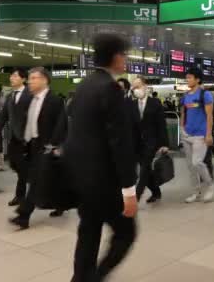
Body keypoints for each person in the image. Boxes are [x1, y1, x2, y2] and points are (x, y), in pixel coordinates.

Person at [65, 34, 138, 282]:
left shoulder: (85, 86)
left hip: (83, 180)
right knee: (126, 232)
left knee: (88, 232)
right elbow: (120, 143)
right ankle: (96, 277)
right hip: (105, 183)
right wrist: (129, 190)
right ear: (116, 56)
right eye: (124, 54)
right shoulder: (110, 88)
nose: (125, 59)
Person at [9, 67, 67, 229]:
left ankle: (23, 215)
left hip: (47, 146)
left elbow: (62, 125)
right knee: (46, 179)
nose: (30, 81)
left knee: (35, 181)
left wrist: (55, 145)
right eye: (30, 78)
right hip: (33, 144)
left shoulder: (54, 100)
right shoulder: (30, 99)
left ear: (44, 80)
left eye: (34, 78)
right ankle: (61, 203)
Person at [0, 69, 32, 206]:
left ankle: (21, 196)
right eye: (11, 75)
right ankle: (24, 188)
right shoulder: (10, 97)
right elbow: (3, 118)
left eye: (15, 76)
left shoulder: (30, 95)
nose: (11, 78)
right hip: (15, 137)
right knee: (15, 164)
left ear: (23, 79)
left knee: (25, 168)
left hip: (29, 138)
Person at [180, 68, 214, 203]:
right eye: (187, 77)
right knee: (190, 166)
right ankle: (196, 192)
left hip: (200, 135)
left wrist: (209, 134)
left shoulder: (205, 95)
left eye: (190, 77)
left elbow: (209, 116)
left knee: (197, 162)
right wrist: (182, 128)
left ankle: (211, 185)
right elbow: (183, 113)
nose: (187, 80)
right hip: (187, 134)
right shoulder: (185, 96)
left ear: (197, 79)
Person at [131, 77, 169, 203]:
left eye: (138, 86)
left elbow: (161, 125)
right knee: (146, 170)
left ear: (145, 87)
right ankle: (156, 191)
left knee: (144, 169)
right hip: (137, 144)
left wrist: (164, 144)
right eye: (134, 87)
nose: (136, 89)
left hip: (152, 142)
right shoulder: (132, 104)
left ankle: (136, 197)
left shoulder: (155, 103)